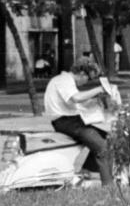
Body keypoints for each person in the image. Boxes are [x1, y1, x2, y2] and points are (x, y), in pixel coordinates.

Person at [43, 55, 120, 188]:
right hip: (66, 122)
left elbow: (78, 105)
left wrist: (97, 100)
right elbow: (77, 98)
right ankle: (108, 185)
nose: (86, 82)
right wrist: (99, 89)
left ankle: (87, 170)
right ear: (82, 73)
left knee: (106, 136)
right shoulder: (64, 80)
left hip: (70, 120)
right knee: (101, 147)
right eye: (88, 78)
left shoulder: (64, 81)